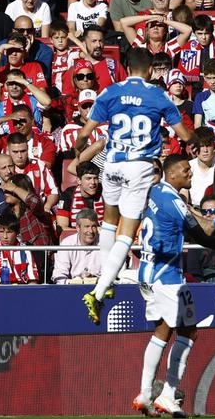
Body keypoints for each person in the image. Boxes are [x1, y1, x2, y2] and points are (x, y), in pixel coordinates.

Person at [77, 48, 193, 326]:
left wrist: (79, 151)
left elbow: (83, 133)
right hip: (139, 165)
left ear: (126, 67)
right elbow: (185, 135)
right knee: (127, 234)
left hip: (113, 163)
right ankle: (99, 290)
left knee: (108, 222)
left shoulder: (109, 92)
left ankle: (108, 276)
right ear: (151, 69)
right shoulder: (158, 95)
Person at [133, 154, 215, 417]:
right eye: (186, 170)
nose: (190, 173)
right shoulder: (173, 199)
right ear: (171, 173)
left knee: (162, 332)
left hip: (147, 272)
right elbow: (203, 233)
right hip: (168, 277)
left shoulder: (155, 192)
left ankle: (144, 393)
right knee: (188, 332)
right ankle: (168, 394)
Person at [61, 26, 128, 95]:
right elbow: (67, 100)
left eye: (100, 41)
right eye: (94, 41)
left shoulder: (114, 66)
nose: (98, 45)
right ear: (84, 43)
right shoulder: (74, 69)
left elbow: (126, 91)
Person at [52, 208, 102, 284]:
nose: (91, 231)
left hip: (99, 287)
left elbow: (112, 273)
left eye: (94, 226)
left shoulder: (104, 243)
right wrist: (73, 282)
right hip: (72, 289)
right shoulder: (67, 244)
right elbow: (59, 275)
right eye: (87, 226)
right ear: (78, 228)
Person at [0, 208, 40, 284]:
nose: (5, 236)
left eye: (9, 232)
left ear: (17, 232)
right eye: (1, 232)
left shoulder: (25, 250)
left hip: (22, 290)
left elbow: (33, 281)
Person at [56, 161, 104, 231]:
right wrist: (87, 231)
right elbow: (62, 227)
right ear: (79, 180)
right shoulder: (67, 195)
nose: (93, 182)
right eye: (88, 178)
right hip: (75, 238)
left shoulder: (106, 193)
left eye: (95, 178)